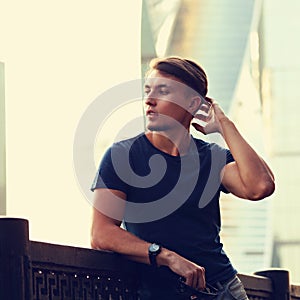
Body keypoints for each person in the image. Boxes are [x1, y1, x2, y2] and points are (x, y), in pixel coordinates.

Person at [90, 56, 275, 299]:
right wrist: (166, 257)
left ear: (193, 103)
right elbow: (101, 234)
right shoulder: (122, 156)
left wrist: (224, 124)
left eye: (163, 91)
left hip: (222, 290)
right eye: (148, 90)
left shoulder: (212, 158)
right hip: (157, 293)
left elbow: (260, 186)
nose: (149, 100)